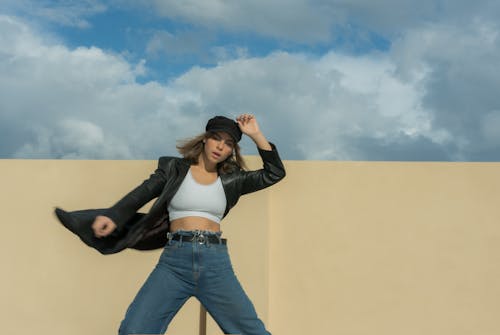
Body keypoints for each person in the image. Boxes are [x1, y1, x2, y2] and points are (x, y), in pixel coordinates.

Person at [55, 114, 286, 335]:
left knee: (250, 331)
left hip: (215, 263)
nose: (220, 147)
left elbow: (274, 173)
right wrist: (114, 215)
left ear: (231, 151)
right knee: (134, 330)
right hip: (175, 262)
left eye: (228, 144)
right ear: (205, 139)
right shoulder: (173, 169)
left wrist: (256, 134)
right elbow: (142, 193)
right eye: (216, 138)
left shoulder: (234, 179)